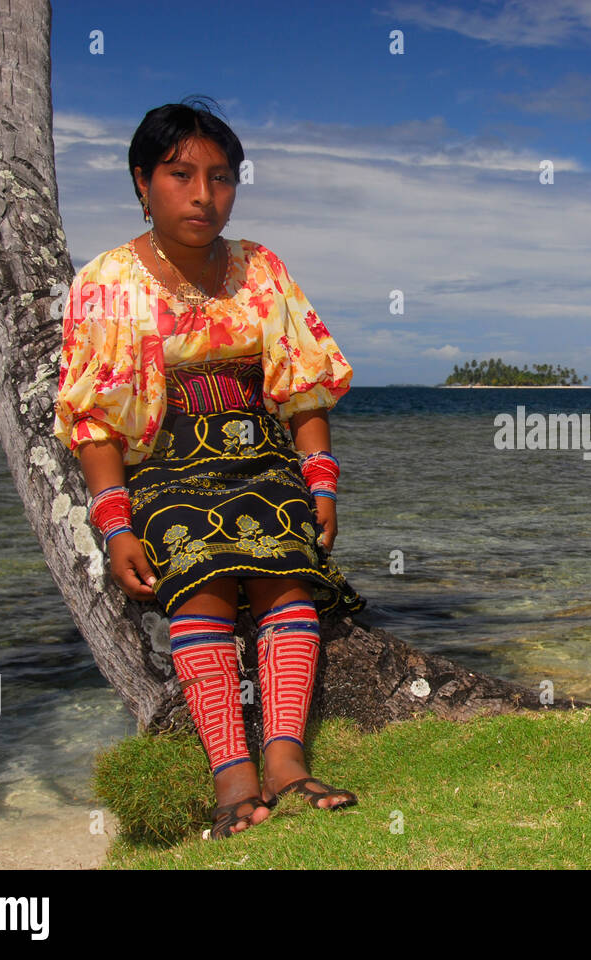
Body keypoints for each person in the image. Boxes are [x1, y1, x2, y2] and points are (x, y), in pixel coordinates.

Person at [53, 96, 362, 839]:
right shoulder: (108, 281)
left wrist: (318, 479)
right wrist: (114, 522)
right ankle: (233, 776)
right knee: (200, 578)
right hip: (166, 467)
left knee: (289, 567)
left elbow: (301, 382)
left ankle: (285, 760)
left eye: (221, 177)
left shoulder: (261, 268)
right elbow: (96, 421)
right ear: (141, 181)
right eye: (180, 174)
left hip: (261, 459)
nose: (203, 194)